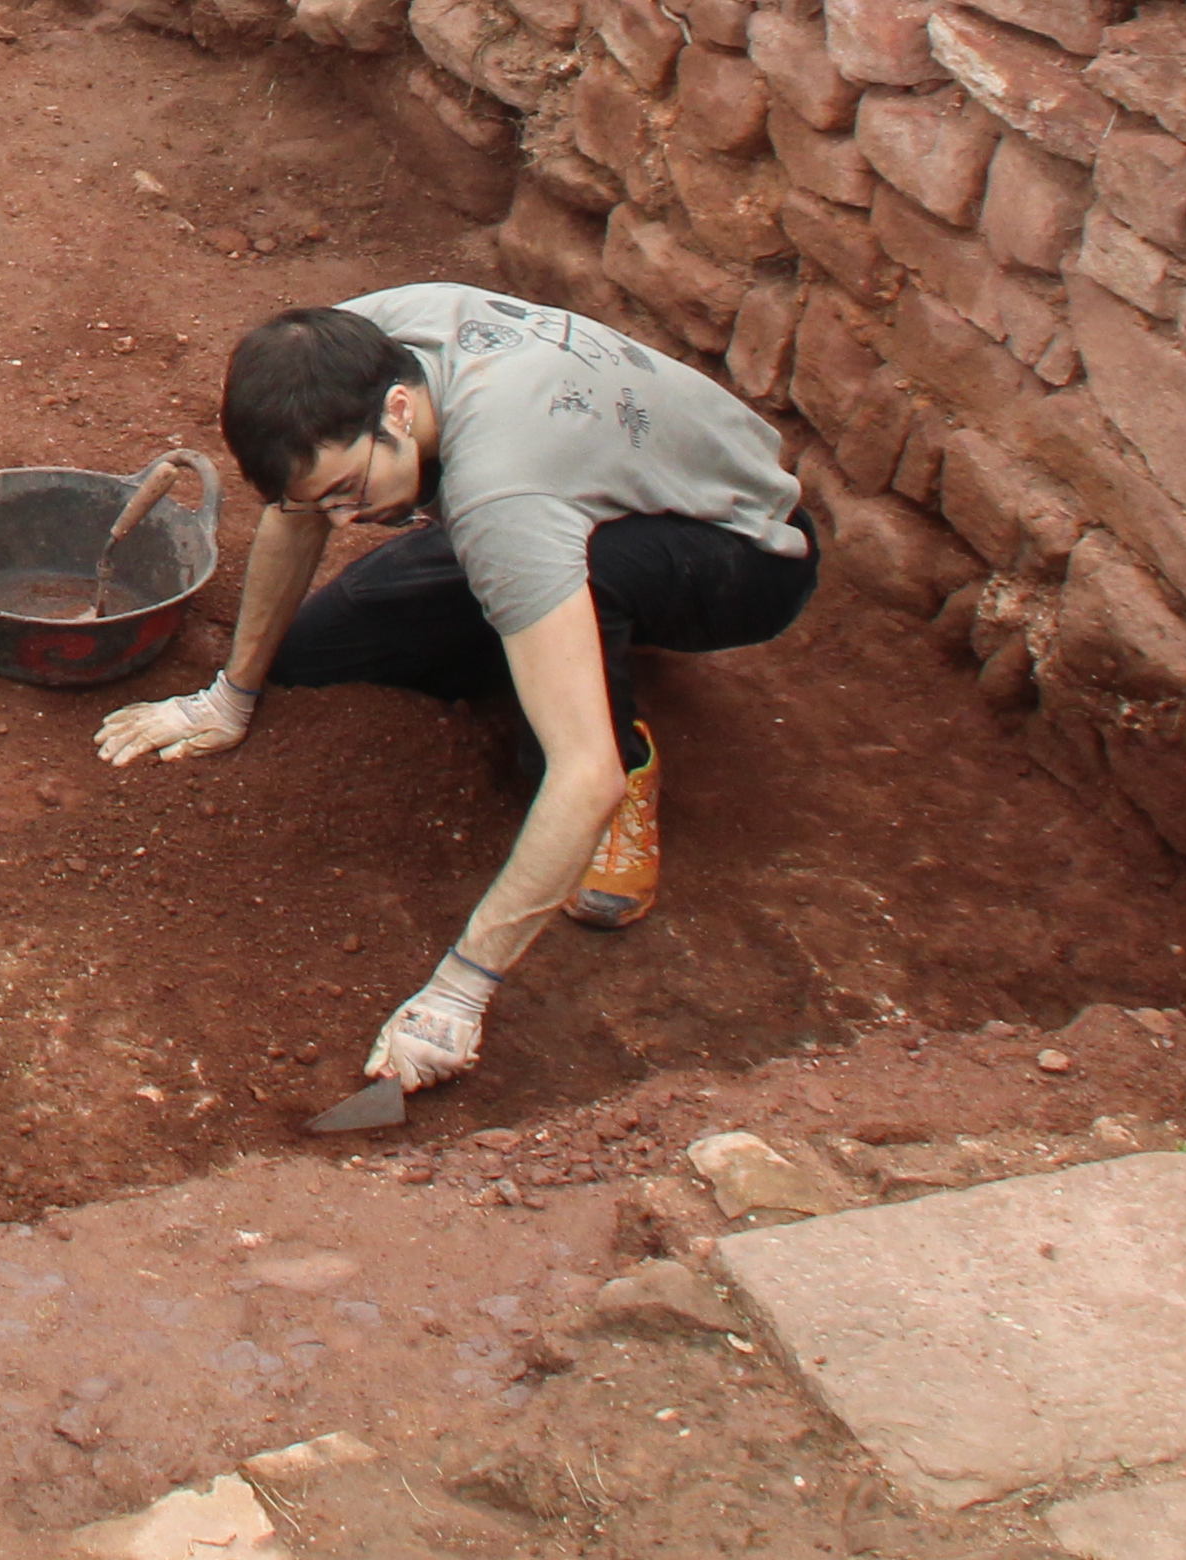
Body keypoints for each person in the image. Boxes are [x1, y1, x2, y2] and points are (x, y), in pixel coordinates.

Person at [94, 288, 823, 1097]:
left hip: (742, 551)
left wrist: (456, 994)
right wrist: (231, 696)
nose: (340, 521)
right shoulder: (348, 352)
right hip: (584, 489)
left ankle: (630, 747)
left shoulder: (500, 496)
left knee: (571, 704)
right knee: (318, 653)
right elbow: (299, 510)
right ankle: (542, 621)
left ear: (398, 411)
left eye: (348, 491)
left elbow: (586, 774)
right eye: (319, 501)